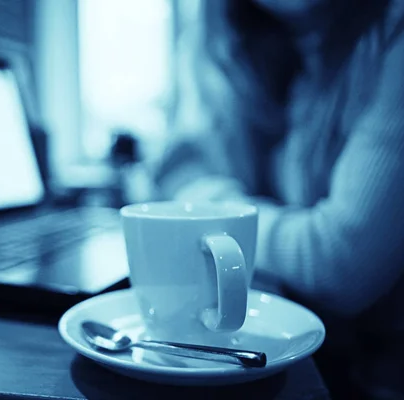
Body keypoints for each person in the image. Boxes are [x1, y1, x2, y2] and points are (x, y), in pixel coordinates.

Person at [130, 0, 404, 398]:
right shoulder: (265, 53)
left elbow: (343, 263)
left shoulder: (391, 38)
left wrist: (204, 199)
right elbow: (178, 164)